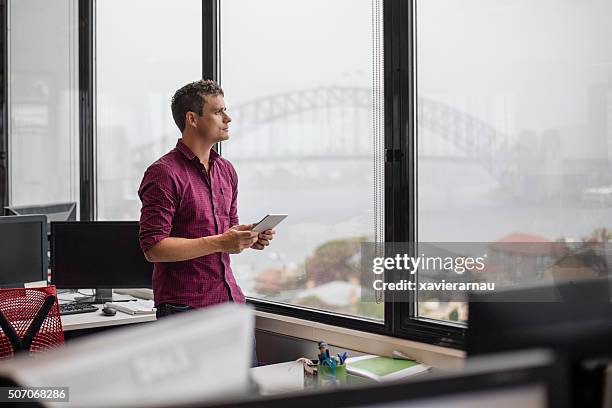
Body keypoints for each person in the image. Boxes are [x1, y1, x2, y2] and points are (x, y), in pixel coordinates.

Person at [138, 80, 274, 364]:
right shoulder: (164, 173)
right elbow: (154, 247)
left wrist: (246, 237)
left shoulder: (226, 170)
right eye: (218, 111)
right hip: (185, 309)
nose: (228, 118)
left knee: (243, 395)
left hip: (230, 303)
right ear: (192, 118)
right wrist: (221, 241)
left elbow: (226, 232)